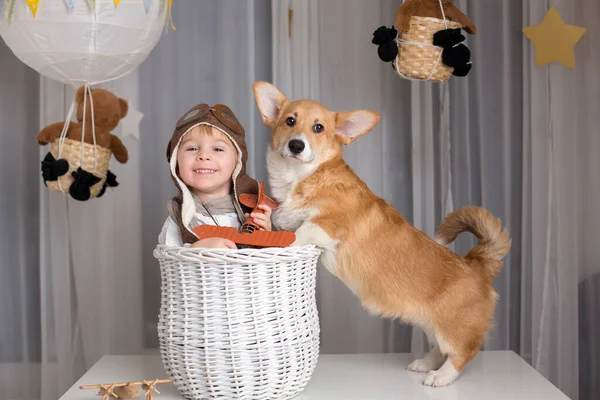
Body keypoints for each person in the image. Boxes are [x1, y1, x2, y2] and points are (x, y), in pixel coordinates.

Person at [158, 103, 271, 248]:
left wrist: (266, 234)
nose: (204, 156)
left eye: (217, 149)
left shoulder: (250, 212)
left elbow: (269, 264)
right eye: (192, 148)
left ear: (237, 162)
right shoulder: (178, 218)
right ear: (176, 162)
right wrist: (197, 249)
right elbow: (172, 264)